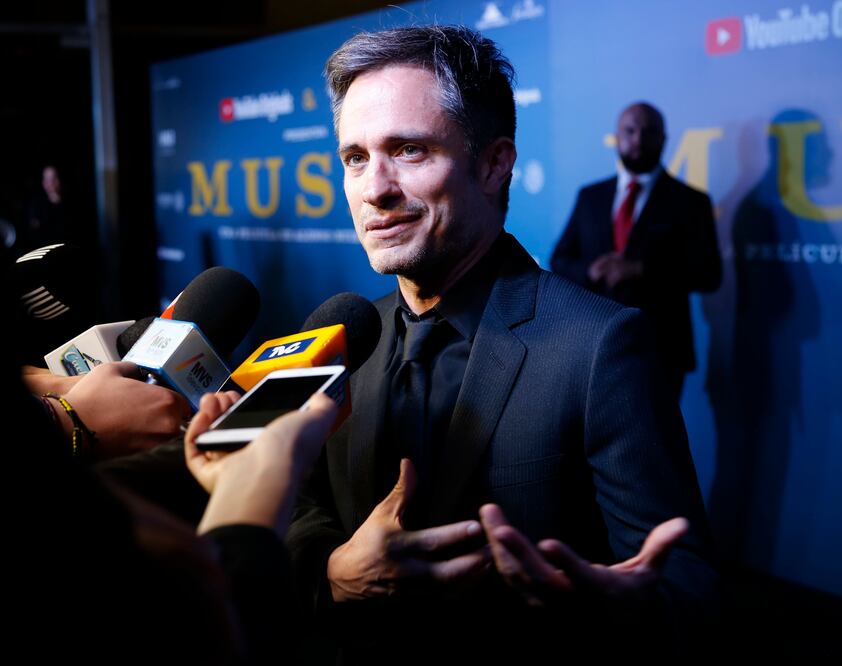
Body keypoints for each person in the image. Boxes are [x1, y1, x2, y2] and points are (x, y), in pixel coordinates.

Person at [288, 26, 716, 659]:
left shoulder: (599, 346)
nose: (374, 189)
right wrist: (329, 576)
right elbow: (300, 506)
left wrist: (617, 609)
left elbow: (683, 591)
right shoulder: (336, 335)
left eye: (408, 150)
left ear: (493, 164)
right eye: (355, 157)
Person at [550, 103, 722, 398]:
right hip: (592, 345)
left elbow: (709, 274)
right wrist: (590, 271)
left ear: (664, 139)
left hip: (661, 350)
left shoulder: (691, 201)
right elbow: (559, 259)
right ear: (616, 137)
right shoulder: (590, 197)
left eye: (649, 131)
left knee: (657, 443)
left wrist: (642, 270)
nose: (639, 139)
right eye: (630, 130)